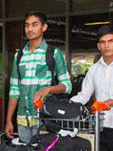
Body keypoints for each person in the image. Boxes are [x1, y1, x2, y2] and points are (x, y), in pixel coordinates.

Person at [5, 11, 72, 144]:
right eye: (27, 25)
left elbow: (67, 86)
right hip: (22, 118)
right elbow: (14, 90)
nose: (30, 29)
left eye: (34, 25)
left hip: (44, 118)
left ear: (44, 27)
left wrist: (48, 89)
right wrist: (8, 120)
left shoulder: (53, 53)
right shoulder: (19, 56)